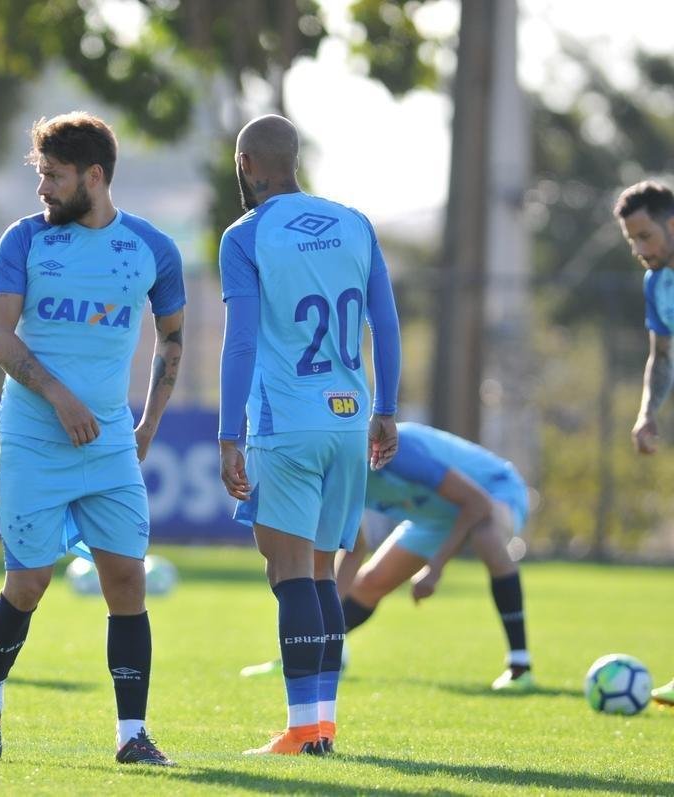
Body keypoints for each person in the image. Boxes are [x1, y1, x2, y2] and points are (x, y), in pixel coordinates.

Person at [0, 112, 185, 766]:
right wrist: (60, 396)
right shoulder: (25, 241)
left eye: (53, 177)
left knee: (126, 579)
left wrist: (148, 423)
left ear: (94, 176)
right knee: (28, 582)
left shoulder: (152, 248)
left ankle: (132, 734)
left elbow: (172, 338)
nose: (43, 190)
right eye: (40, 175)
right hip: (34, 437)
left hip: (109, 443)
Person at [218, 115, 401, 756]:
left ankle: (302, 730)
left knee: (290, 572)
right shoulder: (354, 222)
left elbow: (241, 340)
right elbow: (386, 319)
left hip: (286, 422)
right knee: (323, 572)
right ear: (293, 161)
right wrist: (388, 407)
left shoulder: (245, 236)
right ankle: (321, 726)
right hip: (350, 419)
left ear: (246, 164)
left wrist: (226, 432)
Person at [336, 422, 535, 691]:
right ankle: (317, 650)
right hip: (434, 518)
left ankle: (519, 667)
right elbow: (353, 548)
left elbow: (478, 503)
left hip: (493, 491)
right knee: (370, 583)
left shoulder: (394, 451)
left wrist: (435, 568)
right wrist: (324, 622)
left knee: (486, 537)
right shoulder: (338, 474)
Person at [613, 179, 674, 706]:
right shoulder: (658, 285)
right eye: (633, 239)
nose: (639, 249)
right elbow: (662, 355)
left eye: (645, 235)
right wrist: (646, 413)